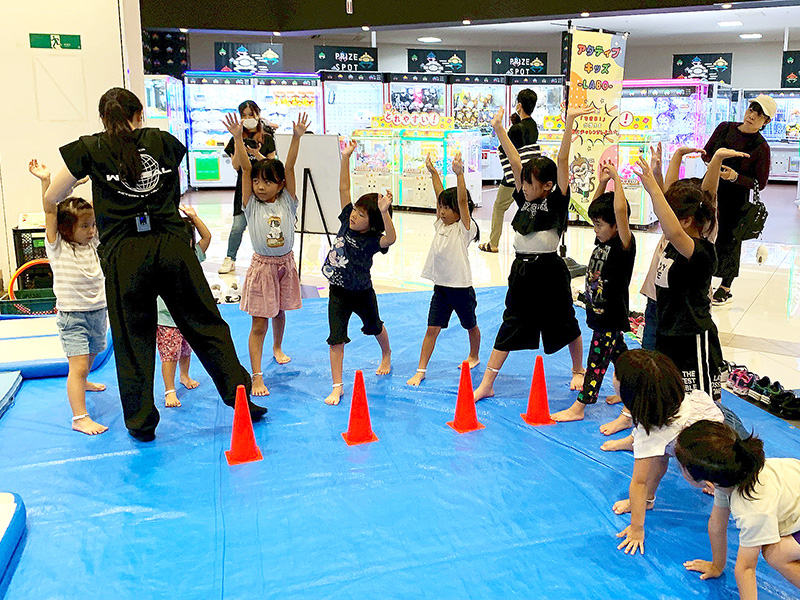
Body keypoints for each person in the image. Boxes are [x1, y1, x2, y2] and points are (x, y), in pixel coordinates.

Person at [44, 87, 265, 442]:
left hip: (125, 253)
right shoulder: (163, 141)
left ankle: (142, 423)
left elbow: (53, 196)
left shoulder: (90, 148)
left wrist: (87, 178)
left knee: (133, 339)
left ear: (103, 119)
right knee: (206, 324)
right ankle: (242, 401)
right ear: (140, 114)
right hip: (171, 244)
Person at [601, 147, 749, 451]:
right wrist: (671, 167)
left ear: (688, 220)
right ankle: (640, 436)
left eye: (674, 215)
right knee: (657, 388)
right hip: (667, 330)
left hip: (691, 337)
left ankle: (726, 451)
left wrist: (653, 187)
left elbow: (701, 200)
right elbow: (686, 204)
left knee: (703, 405)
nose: (666, 220)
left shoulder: (699, 250)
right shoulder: (673, 240)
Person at [473, 106, 593, 402]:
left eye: (530, 183)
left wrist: (571, 123)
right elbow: (515, 160)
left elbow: (563, 159)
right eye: (523, 182)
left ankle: (578, 370)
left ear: (548, 186)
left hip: (549, 271)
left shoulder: (556, 202)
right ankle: (488, 382)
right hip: (522, 272)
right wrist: (499, 128)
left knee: (565, 321)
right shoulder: (523, 197)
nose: (524, 187)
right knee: (511, 321)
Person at [223, 111, 307, 396]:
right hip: (262, 267)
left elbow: (291, 166)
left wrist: (296, 138)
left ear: (280, 185)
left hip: (286, 264)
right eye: (258, 182)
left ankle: (278, 346)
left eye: (267, 182)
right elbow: (246, 169)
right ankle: (256, 375)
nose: (260, 186)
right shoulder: (251, 204)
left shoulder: (287, 202)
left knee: (280, 311)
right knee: (259, 322)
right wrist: (237, 137)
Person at [612, 350, 725, 556]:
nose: (613, 378)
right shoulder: (665, 396)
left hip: (710, 442)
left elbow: (639, 482)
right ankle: (649, 500)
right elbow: (659, 462)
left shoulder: (651, 433)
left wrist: (637, 528)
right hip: (703, 423)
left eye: (616, 375)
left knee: (725, 481)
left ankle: (718, 482)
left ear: (631, 394)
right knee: (660, 459)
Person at [676, 420, 800, 599]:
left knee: (776, 554)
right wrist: (717, 566)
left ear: (708, 482)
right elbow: (717, 525)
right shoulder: (732, 473)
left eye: (682, 467)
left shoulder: (752, 508)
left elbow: (746, 568)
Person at [552, 162, 635, 422]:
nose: (595, 229)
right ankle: (632, 390)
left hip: (610, 315)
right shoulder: (601, 239)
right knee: (619, 354)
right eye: (595, 225)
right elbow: (594, 209)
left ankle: (580, 406)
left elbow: (620, 211)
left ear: (616, 225)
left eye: (600, 225)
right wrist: (601, 182)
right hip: (598, 311)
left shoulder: (623, 244)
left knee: (597, 361)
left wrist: (618, 181)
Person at [30, 159, 108, 435]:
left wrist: (86, 179)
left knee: (91, 356)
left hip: (98, 311)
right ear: (66, 229)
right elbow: (51, 211)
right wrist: (46, 181)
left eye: (92, 225)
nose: (91, 230)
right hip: (72, 316)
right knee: (77, 366)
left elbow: (98, 206)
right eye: (85, 226)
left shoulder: (93, 243)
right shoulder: (57, 247)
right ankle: (80, 417)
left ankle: (84, 379)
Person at [322, 140, 396, 406]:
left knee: (375, 325)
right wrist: (345, 158)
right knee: (336, 339)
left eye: (362, 214)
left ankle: (386, 353)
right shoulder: (345, 220)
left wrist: (386, 213)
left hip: (363, 292)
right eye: (355, 210)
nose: (354, 215)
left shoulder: (373, 239)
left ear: (371, 222)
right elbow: (344, 188)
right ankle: (338, 386)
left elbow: (392, 238)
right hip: (338, 291)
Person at [407, 152, 480, 386]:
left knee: (470, 325)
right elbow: (440, 194)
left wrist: (459, 175)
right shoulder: (440, 223)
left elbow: (460, 202)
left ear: (459, 211)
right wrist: (433, 172)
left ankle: (474, 355)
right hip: (441, 289)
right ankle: (421, 369)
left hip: (461, 288)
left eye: (446, 209)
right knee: (432, 328)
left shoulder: (464, 227)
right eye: (440, 208)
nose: (441, 211)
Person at [703, 94, 773, 305]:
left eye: (759, 115)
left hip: (736, 200)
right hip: (710, 189)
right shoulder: (725, 128)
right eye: (752, 110)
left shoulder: (761, 147)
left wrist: (734, 176)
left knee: (730, 241)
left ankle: (726, 286)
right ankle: (704, 278)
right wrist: (713, 163)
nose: (752, 116)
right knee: (705, 233)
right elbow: (706, 152)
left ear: (766, 122)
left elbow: (759, 182)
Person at [156, 205, 211, 408]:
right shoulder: (161, 257)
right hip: (166, 317)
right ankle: (169, 390)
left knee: (186, 349)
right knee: (169, 354)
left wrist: (194, 218)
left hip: (188, 315)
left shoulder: (194, 254)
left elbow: (207, 237)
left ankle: (184, 375)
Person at [219, 100, 277, 275]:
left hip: (264, 190)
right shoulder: (235, 139)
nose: (247, 118)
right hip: (243, 189)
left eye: (250, 114)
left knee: (267, 225)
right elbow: (236, 166)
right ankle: (230, 258)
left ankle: (270, 257)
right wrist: (238, 141)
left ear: (257, 115)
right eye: (243, 115)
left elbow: (272, 166)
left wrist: (256, 154)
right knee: (238, 226)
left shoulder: (267, 139)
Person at [479, 89, 539, 253]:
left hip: (513, 176)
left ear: (519, 105)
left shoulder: (515, 128)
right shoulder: (533, 126)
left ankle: (493, 243)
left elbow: (506, 150)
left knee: (499, 207)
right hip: (529, 175)